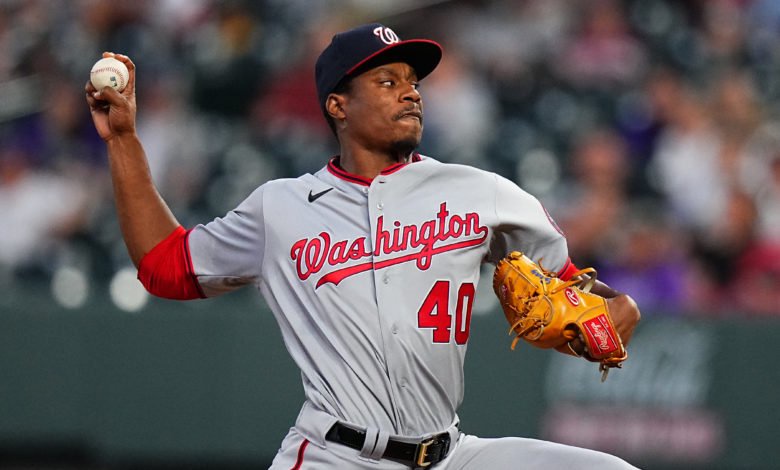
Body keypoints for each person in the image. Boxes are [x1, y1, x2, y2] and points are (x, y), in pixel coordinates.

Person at [85, 23, 640, 470]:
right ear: (338, 105)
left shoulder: (480, 192)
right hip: (334, 454)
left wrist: (607, 319)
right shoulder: (280, 208)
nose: (411, 92)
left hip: (450, 455)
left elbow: (589, 296)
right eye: (387, 81)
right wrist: (125, 141)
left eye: (413, 82)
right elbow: (163, 266)